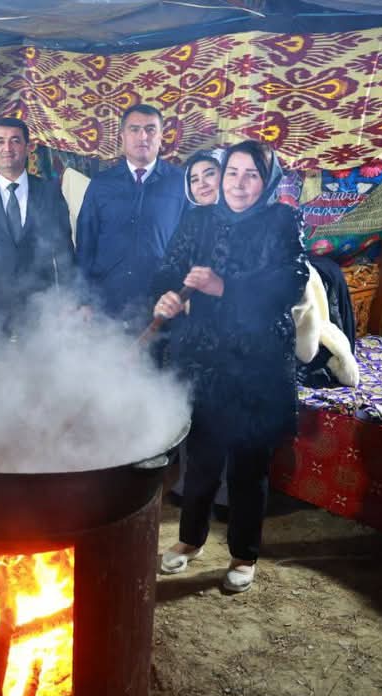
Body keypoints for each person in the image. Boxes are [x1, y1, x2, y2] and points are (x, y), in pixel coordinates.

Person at [152, 140, 308, 593]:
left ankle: (243, 554)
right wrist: (168, 295)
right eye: (233, 173)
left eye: (251, 175)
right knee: (200, 460)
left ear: (267, 181)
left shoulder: (281, 220)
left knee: (247, 467)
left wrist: (225, 287)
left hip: (256, 363)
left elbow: (292, 281)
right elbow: (170, 268)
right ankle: (190, 540)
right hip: (204, 358)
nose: (239, 184)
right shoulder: (199, 218)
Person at [0, 117, 76, 337]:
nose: (7, 148)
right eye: (0, 141)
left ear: (28, 147)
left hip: (41, 309)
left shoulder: (49, 192)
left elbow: (64, 251)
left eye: (15, 141)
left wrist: (69, 301)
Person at [75, 104, 186, 326]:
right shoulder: (101, 184)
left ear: (161, 137)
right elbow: (85, 244)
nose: (142, 136)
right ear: (123, 136)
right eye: (134, 129)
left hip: (161, 303)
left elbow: (192, 244)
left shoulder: (181, 183)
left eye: (150, 129)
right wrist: (83, 300)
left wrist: (183, 296)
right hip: (106, 303)